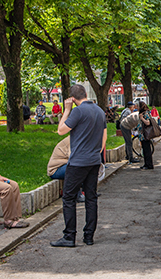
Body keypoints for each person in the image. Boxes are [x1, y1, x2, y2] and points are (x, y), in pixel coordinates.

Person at [51, 84, 106, 248]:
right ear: (86, 94)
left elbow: (61, 130)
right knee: (91, 197)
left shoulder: (77, 111)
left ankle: (69, 236)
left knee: (68, 197)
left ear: (73, 99)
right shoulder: (99, 111)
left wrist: (66, 110)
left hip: (78, 162)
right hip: (94, 160)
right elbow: (104, 138)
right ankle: (89, 236)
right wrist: (96, 152)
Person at [136, 102, 154, 169]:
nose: (136, 108)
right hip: (142, 135)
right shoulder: (142, 113)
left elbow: (148, 122)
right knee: (144, 149)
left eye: (137, 106)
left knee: (147, 149)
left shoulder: (145, 113)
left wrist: (142, 118)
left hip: (145, 134)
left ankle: (149, 164)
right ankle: (146, 163)